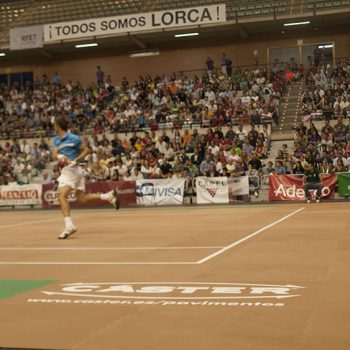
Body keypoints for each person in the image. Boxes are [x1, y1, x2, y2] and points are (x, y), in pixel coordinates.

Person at [53, 117, 119, 240]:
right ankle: (108, 196)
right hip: (71, 170)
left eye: (54, 125)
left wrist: (75, 160)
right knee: (82, 199)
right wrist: (61, 158)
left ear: (58, 126)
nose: (53, 127)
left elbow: (86, 150)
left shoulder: (74, 138)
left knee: (61, 196)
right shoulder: (56, 140)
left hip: (72, 170)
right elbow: (55, 154)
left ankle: (69, 226)